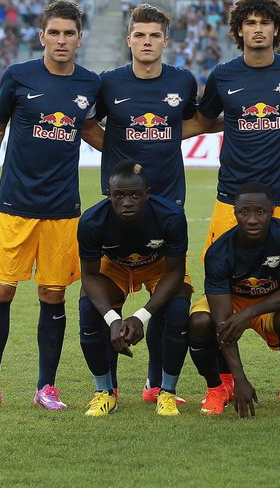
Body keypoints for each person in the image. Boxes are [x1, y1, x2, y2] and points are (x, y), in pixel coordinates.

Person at [0, 0, 101, 412]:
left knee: (53, 293)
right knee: (1, 289)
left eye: (69, 33)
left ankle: (46, 387)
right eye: (54, 33)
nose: (61, 40)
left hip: (63, 209)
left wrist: (139, 154)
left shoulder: (90, 85)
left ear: (79, 38)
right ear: (42, 36)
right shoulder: (19, 76)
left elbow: (93, 132)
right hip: (14, 206)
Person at [82, 3, 208, 408]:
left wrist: (163, 140)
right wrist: (120, 149)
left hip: (166, 205)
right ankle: (108, 390)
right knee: (99, 306)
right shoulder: (109, 84)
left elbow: (192, 122)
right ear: (129, 39)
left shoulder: (183, 81)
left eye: (155, 36)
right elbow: (88, 125)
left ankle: (157, 384)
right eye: (140, 35)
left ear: (166, 41)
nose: (147, 42)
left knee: (172, 304)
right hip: (120, 207)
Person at [193, 0, 280, 262]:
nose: (258, 29)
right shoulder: (222, 75)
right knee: (220, 264)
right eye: (251, 22)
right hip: (233, 188)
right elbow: (202, 121)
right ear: (239, 30)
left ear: (276, 29)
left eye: (265, 22)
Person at [188, 182, 280, 418]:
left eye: (260, 212)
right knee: (200, 322)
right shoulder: (218, 253)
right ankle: (217, 388)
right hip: (231, 300)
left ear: (272, 211)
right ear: (234, 212)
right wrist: (239, 378)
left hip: (270, 301)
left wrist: (249, 312)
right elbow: (223, 321)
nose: (252, 219)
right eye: (245, 212)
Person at [77, 161, 190, 417]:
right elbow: (90, 276)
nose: (127, 201)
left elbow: (175, 272)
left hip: (160, 265)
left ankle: (166, 392)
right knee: (88, 308)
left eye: (135, 195)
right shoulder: (92, 221)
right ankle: (104, 393)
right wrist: (112, 318)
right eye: (119, 195)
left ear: (147, 193)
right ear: (109, 194)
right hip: (114, 265)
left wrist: (140, 316)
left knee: (178, 307)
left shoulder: (170, 216)